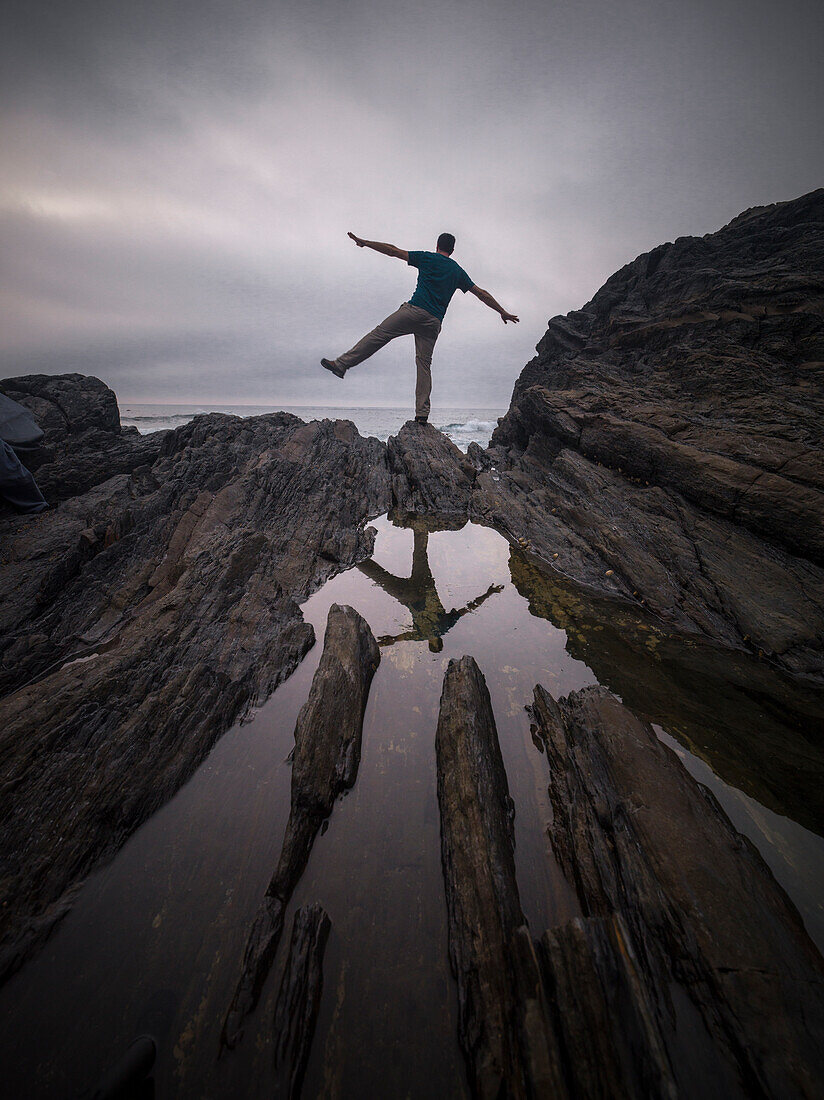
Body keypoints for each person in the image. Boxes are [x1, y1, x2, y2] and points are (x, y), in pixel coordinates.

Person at [321, 231, 518, 423]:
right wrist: (502, 312)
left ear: (437, 246)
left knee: (380, 334)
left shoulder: (427, 258)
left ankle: (341, 364)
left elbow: (392, 250)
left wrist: (365, 243)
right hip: (434, 323)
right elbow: (481, 293)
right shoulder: (457, 271)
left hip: (414, 310)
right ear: (452, 250)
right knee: (424, 364)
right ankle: (422, 413)